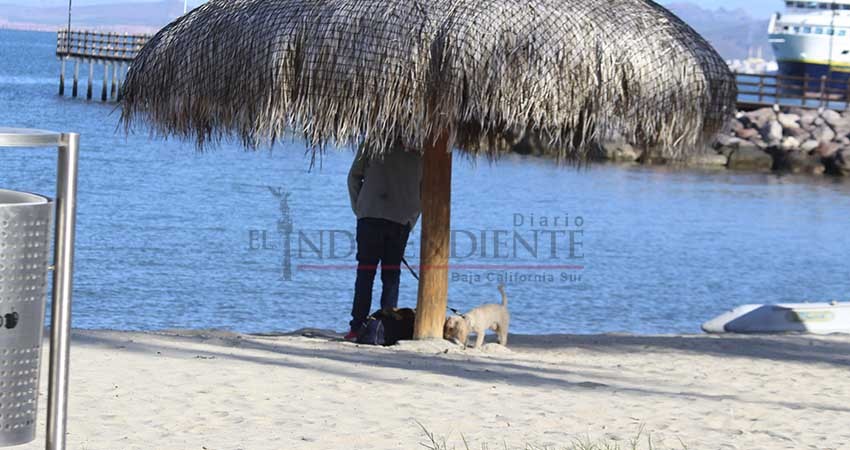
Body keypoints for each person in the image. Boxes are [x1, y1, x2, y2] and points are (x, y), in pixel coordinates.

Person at [345, 142, 422, 340]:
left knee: (365, 273)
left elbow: (354, 177)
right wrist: (410, 220)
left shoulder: (373, 141)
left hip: (370, 215)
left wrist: (360, 209)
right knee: (391, 276)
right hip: (400, 220)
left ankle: (357, 326)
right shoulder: (420, 149)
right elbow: (424, 191)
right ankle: (386, 328)